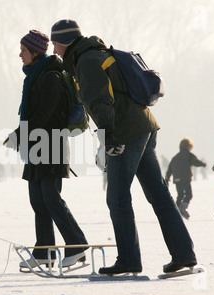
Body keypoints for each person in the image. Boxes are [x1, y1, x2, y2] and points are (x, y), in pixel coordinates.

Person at [50, 19, 196, 274]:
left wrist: (108, 138)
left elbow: (102, 101)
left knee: (117, 198)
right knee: (159, 196)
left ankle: (129, 260)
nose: (54, 51)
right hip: (144, 127)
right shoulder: (95, 53)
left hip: (126, 132)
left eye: (55, 45)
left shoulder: (85, 61)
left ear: (65, 42)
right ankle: (184, 254)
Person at [4, 30, 88, 269]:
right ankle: (45, 252)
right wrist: (20, 134)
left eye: (23, 50)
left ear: (34, 52)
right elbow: (35, 116)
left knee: (51, 199)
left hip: (51, 145)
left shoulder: (50, 76)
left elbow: (46, 115)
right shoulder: (35, 76)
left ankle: (77, 245)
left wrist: (20, 133)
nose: (20, 55)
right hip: (38, 146)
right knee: (38, 200)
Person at [165, 138, 206, 219]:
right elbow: (195, 162)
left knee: (180, 195)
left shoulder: (175, 157)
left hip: (177, 179)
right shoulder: (189, 155)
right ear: (189, 146)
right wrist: (202, 164)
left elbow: (170, 168)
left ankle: (175, 212)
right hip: (185, 179)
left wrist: (167, 178)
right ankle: (183, 207)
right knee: (188, 194)